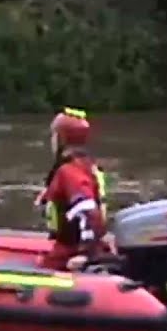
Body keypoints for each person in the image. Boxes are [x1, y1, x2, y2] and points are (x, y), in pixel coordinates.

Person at [33, 107, 115, 271]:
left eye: (54, 135)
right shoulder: (86, 165)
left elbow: (88, 211)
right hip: (80, 245)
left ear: (62, 139)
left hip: (69, 252)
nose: (52, 140)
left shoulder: (69, 172)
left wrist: (85, 254)